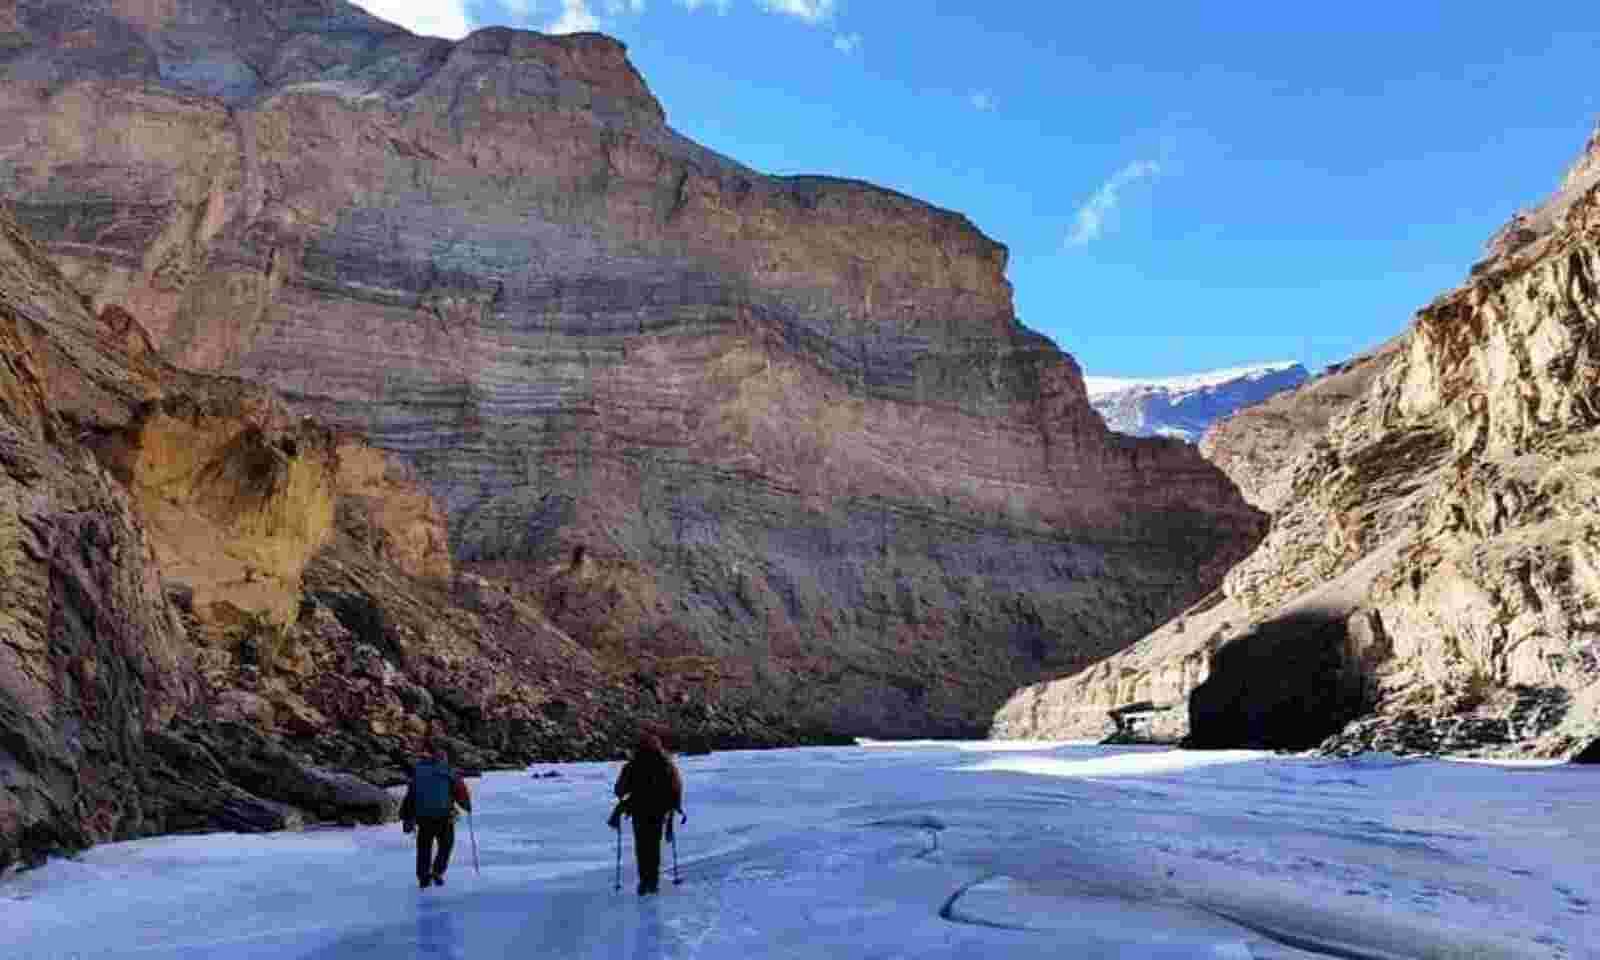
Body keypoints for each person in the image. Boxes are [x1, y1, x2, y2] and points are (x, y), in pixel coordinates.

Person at [611, 732, 685, 895]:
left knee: (642, 846)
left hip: (639, 811)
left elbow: (619, 790)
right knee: (654, 845)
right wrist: (675, 805)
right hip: (659, 810)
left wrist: (623, 794)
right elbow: (676, 786)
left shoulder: (633, 765)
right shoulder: (666, 763)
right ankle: (653, 882)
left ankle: (645, 882)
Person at [401, 737, 472, 889]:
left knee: (424, 846)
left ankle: (423, 877)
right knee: (446, 844)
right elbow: (460, 791)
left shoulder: (418, 771)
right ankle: (438, 871)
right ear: (442, 757)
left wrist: (406, 817)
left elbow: (411, 796)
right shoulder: (448, 771)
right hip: (444, 816)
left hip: (423, 817)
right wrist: (466, 805)